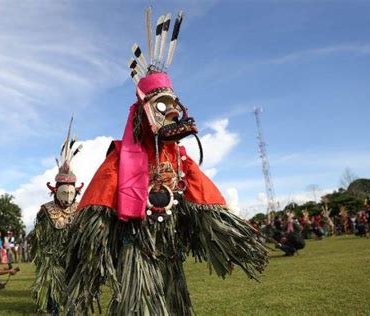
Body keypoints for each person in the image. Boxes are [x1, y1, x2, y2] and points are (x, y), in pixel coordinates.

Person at [65, 9, 269, 315]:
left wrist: (232, 236)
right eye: (162, 105)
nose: (172, 112)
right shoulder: (121, 157)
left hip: (171, 251)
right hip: (137, 249)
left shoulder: (180, 158)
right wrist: (92, 252)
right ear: (142, 113)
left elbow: (204, 198)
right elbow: (99, 205)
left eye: (174, 105)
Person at [31, 118, 83, 314]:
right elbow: (40, 238)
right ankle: (54, 310)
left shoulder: (80, 209)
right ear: (55, 191)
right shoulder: (46, 210)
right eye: (63, 193)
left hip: (73, 258)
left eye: (71, 193)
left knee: (72, 289)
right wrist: (45, 258)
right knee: (54, 290)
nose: (67, 198)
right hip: (52, 260)